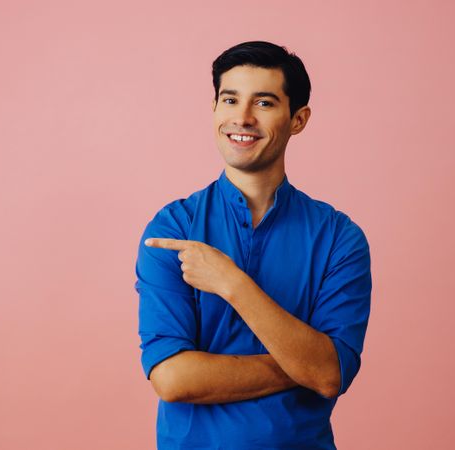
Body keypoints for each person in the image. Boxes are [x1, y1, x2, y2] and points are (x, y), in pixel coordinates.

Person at [135, 40, 372, 449]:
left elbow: (330, 375)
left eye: (263, 103)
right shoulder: (173, 227)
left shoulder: (339, 239)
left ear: (298, 119)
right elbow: (172, 379)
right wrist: (302, 365)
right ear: (214, 109)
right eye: (229, 100)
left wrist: (231, 283)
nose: (241, 118)